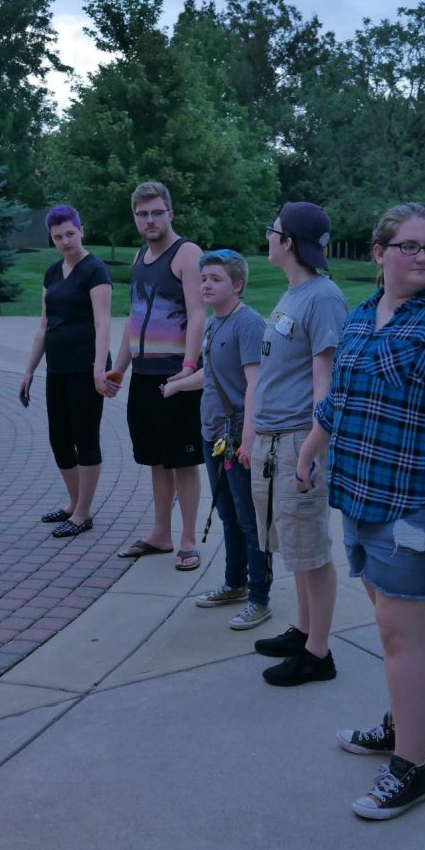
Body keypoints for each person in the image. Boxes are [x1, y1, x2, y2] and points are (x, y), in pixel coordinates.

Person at [296, 201, 425, 820]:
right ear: (379, 253)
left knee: (402, 635)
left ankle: (411, 768)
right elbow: (339, 401)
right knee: (389, 622)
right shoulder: (362, 317)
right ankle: (399, 723)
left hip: (420, 506)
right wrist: (308, 451)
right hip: (361, 498)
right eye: (409, 245)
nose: (424, 256)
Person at [250, 202, 348, 685]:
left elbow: (324, 381)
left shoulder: (323, 297)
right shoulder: (294, 293)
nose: (267, 237)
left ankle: (318, 654)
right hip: (273, 439)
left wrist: (311, 450)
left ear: (288, 242)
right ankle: (305, 630)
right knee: (293, 543)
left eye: (273, 231)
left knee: (311, 546)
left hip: (297, 440)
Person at [163, 250, 272, 629]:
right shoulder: (213, 324)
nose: (205, 285)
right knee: (227, 513)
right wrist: (178, 385)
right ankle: (234, 584)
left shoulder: (248, 324)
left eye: (215, 279)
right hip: (214, 434)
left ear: (237, 285)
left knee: (249, 518)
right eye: (203, 278)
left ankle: (259, 597)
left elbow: (255, 383)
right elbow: (210, 379)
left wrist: (248, 438)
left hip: (237, 435)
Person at [110, 181, 204, 570]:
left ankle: (187, 539)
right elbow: (134, 317)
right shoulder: (139, 256)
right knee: (155, 460)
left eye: (156, 212)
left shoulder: (187, 254)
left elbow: (199, 314)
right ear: (136, 218)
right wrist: (118, 366)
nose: (149, 220)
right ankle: (160, 533)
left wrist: (187, 368)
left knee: (183, 460)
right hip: (145, 374)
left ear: (170, 213)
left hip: (176, 375)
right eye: (142, 214)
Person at [19, 204, 112, 538]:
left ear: (81, 229)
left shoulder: (95, 270)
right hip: (58, 367)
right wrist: (29, 370)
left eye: (70, 234)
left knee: (84, 437)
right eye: (58, 237)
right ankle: (74, 503)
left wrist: (99, 369)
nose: (65, 241)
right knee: (59, 437)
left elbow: (103, 325)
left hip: (87, 366)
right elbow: (44, 325)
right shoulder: (52, 273)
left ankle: (84, 513)